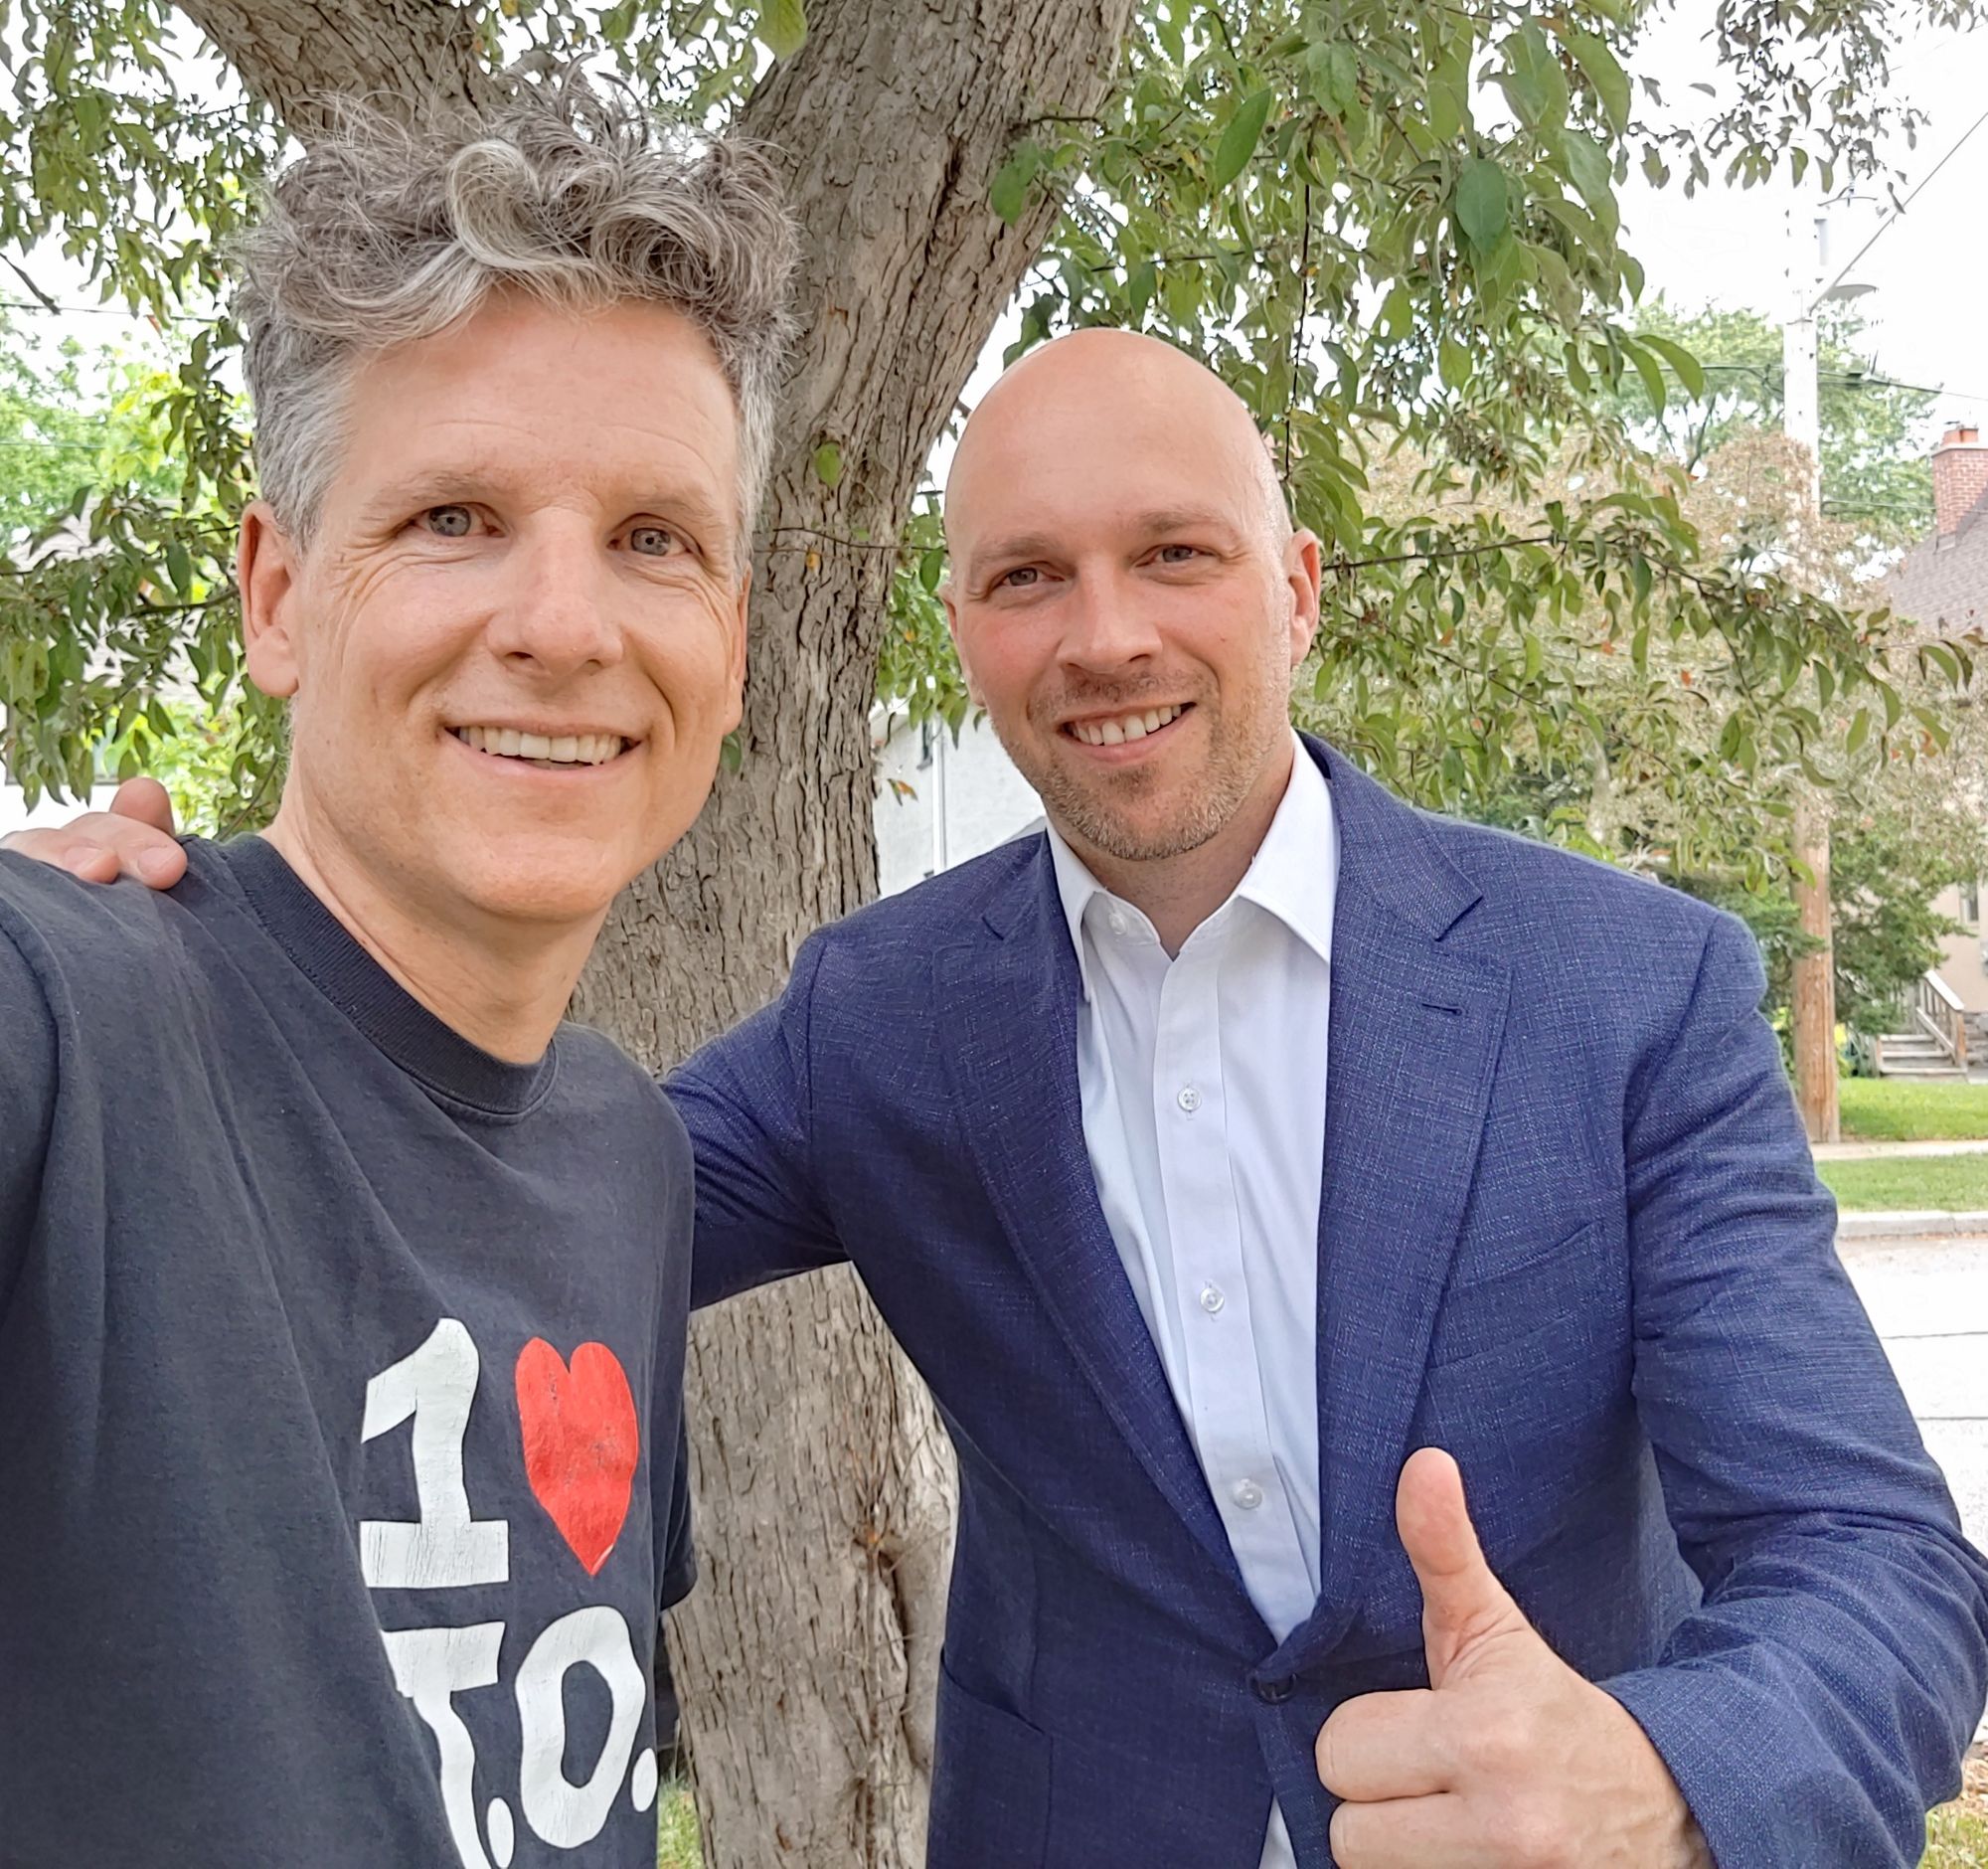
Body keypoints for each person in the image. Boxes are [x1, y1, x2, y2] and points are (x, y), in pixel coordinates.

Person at [29, 332, 1988, 1868]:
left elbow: (1876, 1562)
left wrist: (1660, 1777)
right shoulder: (884, 1016)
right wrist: (161, 962)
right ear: (961, 625)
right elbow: (489, 1187)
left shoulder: (1623, 988)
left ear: (1296, 586)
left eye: (1175, 556)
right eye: (1026, 576)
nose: (1104, 634)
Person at [0, 80, 793, 1866]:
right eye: (452, 518)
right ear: (279, 598)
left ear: (732, 646)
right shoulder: (73, 1022)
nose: (565, 626)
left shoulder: (630, 1153)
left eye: (653, 541)